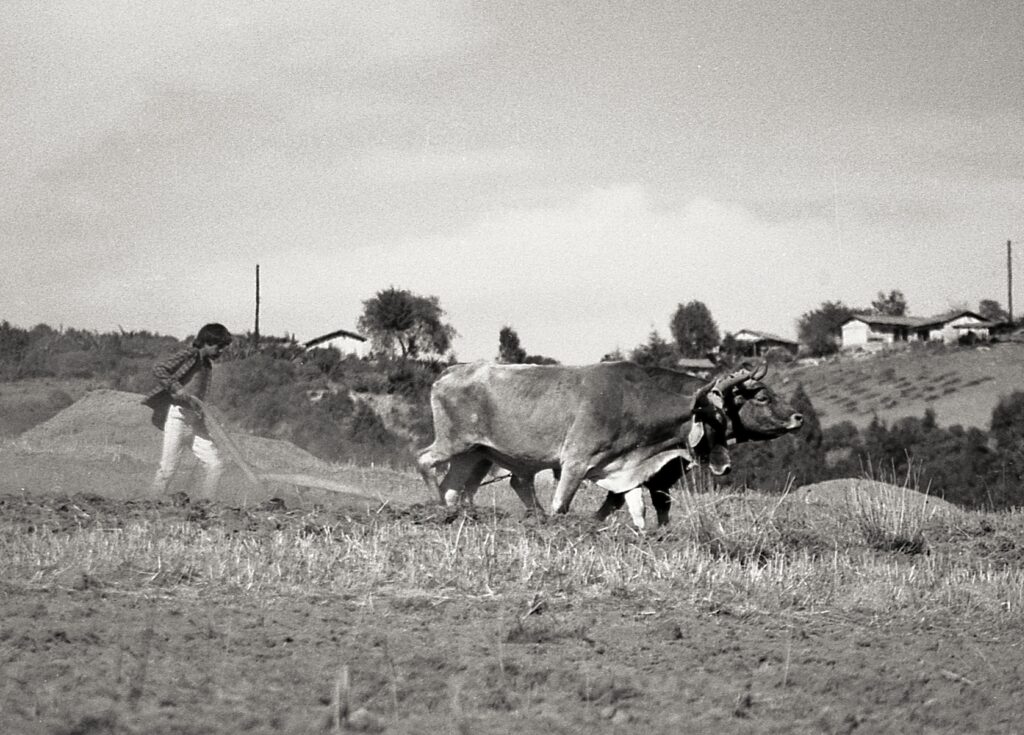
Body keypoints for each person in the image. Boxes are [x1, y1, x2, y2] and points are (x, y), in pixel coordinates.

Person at [142, 323, 233, 498]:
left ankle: (206, 504)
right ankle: (149, 504)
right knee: (168, 469)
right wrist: (177, 388)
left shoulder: (207, 365)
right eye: (218, 347)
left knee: (216, 465)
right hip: (178, 417)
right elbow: (159, 369)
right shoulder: (190, 354)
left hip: (194, 420)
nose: (221, 351)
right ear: (206, 342)